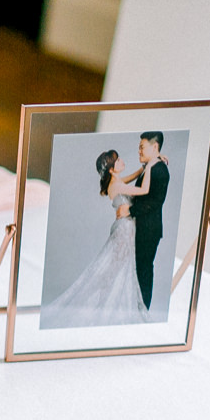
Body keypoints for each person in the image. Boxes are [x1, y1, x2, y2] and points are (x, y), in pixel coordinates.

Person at [42, 148, 160, 328]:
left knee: (118, 269)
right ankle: (100, 306)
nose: (121, 161)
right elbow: (144, 189)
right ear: (112, 169)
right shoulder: (117, 185)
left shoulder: (117, 181)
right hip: (124, 229)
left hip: (125, 227)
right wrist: (152, 164)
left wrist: (147, 165)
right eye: (118, 160)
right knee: (115, 270)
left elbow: (135, 175)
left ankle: (102, 305)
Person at [116, 131, 169, 310]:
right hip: (142, 228)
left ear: (154, 147)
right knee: (139, 269)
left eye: (141, 147)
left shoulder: (160, 170)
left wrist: (129, 210)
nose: (138, 151)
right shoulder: (150, 167)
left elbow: (155, 202)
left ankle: (143, 310)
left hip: (149, 230)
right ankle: (137, 309)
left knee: (143, 270)